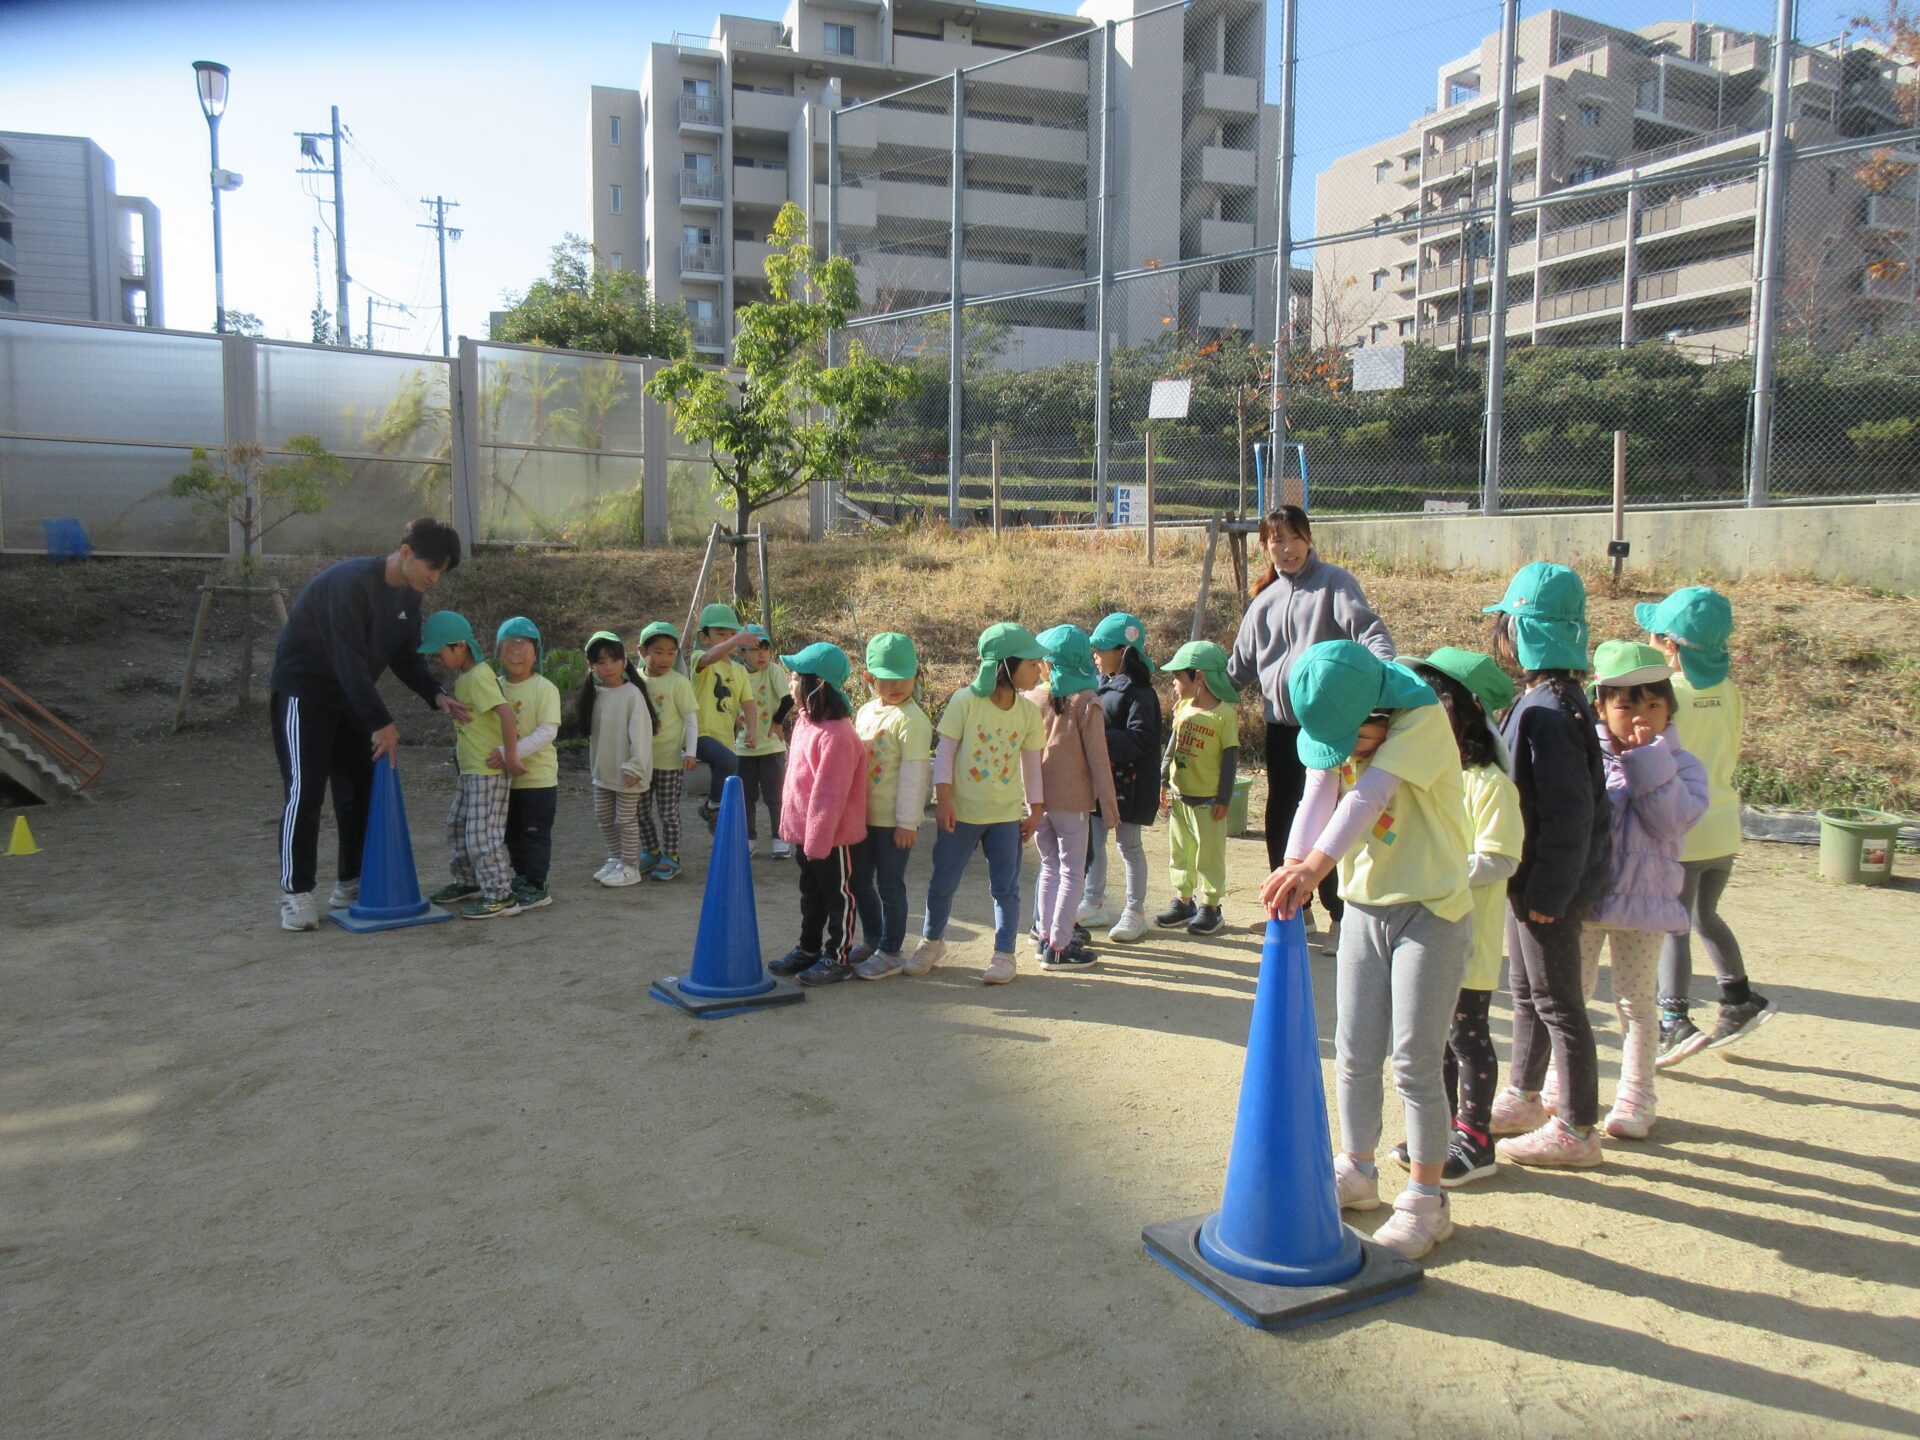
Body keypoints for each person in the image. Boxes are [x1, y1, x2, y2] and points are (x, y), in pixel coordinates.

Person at [1260, 640, 1473, 1260]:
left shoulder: (1421, 717)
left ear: (1377, 714)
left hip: (1431, 910)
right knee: (1352, 1050)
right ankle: (1356, 1169)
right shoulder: (1343, 720)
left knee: (1413, 1061)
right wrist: (1293, 866)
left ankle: (1428, 1201)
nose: (1345, 754)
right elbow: (1318, 793)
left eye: (1354, 740)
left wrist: (1313, 870)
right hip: (1364, 907)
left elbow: (1366, 797)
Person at [268, 516, 470, 931]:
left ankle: (350, 882)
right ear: (406, 552)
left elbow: (405, 655)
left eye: (442, 572)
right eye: (432, 567)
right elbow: (347, 660)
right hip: (305, 693)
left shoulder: (410, 596)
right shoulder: (349, 583)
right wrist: (380, 721)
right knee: (305, 791)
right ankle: (296, 892)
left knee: (359, 788)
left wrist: (437, 694)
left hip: (351, 698)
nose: (434, 577)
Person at [1482, 563, 1613, 1170]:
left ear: (1524, 630)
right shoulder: (1541, 701)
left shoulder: (1551, 712)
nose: (1502, 636)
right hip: (1527, 879)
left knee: (1558, 1001)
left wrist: (1550, 893)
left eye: (1507, 624)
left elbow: (1570, 813)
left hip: (1546, 886)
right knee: (1526, 991)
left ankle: (1579, 1127)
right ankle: (1524, 1094)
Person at [1228, 505, 1394, 953]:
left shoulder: (1334, 583)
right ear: (1265, 547)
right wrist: (1204, 688)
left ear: (1308, 538)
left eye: (1293, 538)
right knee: (1281, 812)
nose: (1286, 549)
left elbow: (1369, 631)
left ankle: (1340, 915)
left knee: (1329, 815)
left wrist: (1384, 674)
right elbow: (1239, 667)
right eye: (1276, 541)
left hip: (1326, 725)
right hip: (1280, 727)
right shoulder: (1263, 601)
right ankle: (1294, 910)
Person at [1564, 640, 1709, 1141]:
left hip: (1646, 904)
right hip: (1587, 900)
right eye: (1626, 706)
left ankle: (1637, 1096)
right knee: (1571, 998)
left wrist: (1648, 761)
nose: (1640, 716)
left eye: (1653, 704)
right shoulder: (1587, 759)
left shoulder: (1683, 765)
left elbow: (1671, 821)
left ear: (1670, 709)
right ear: (1601, 709)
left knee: (1635, 1003)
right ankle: (1563, 1086)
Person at [1402, 648, 1523, 1187]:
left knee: (1468, 1037)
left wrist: (1441, 869)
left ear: (1470, 709)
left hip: (1470, 938)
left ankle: (1476, 1138)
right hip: (1432, 933)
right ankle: (1440, 1130)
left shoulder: (1490, 784)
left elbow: (1501, 857)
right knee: (1436, 1038)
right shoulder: (1434, 772)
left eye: (1437, 703)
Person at [1638, 586, 1773, 1062]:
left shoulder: (1668, 695)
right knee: (1704, 915)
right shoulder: (1728, 691)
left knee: (1672, 924)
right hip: (1723, 825)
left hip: (1683, 827)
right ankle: (1738, 998)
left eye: (1655, 636)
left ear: (1671, 646)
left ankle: (1673, 1019)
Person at [910, 623, 1049, 986]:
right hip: (961, 814)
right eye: (1032, 663)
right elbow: (944, 753)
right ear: (1005, 666)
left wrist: (1035, 808)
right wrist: (944, 800)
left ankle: (1004, 954)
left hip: (1005, 817)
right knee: (943, 881)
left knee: (1006, 887)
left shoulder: (1028, 712)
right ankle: (932, 942)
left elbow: (1031, 763)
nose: (1039, 670)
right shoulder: (965, 701)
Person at [765, 643, 871, 987]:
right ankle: (809, 948)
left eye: (796, 677)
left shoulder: (838, 736)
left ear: (818, 684)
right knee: (810, 894)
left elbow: (830, 796)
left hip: (830, 838)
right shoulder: (805, 722)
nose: (791, 683)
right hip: (807, 835)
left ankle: (838, 957)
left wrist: (818, 840)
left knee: (838, 897)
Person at [1025, 625, 1120, 971]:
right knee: (1072, 872)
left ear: (1048, 664)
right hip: (1073, 801)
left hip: (1039, 800)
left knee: (1049, 867)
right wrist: (1110, 809)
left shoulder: (1032, 699)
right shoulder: (1086, 701)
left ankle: (1043, 936)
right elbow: (1099, 758)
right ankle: (1060, 945)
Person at [420, 611, 524, 920]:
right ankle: (468, 881)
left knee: (482, 836)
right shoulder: (465, 677)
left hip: (487, 772)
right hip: (470, 770)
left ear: (460, 646)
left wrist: (510, 755)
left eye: (440, 652)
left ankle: (501, 895)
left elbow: (507, 715)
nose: (438, 659)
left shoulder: (479, 676)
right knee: (458, 826)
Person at [851, 633, 934, 982]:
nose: (897, 685)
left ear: (915, 674)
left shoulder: (913, 720)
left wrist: (907, 823)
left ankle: (890, 950)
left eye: (904, 676)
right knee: (858, 880)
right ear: (869, 678)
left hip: (893, 823)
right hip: (862, 818)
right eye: (887, 678)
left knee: (890, 883)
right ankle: (872, 938)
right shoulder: (865, 712)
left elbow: (915, 775)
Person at [1080, 612, 1163, 945]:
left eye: (1101, 649)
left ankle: (1135, 911)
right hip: (1101, 782)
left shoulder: (1140, 693)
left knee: (1129, 845)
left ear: (1124, 650)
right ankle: (1094, 903)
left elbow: (1143, 738)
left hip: (1130, 785)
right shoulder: (1100, 684)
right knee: (1094, 840)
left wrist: (1100, 738)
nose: (1095, 656)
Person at [1156, 640, 1240, 937]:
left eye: (1178, 676)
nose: (1174, 683)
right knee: (1180, 852)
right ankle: (1183, 901)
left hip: (1209, 801)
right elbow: (1172, 747)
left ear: (1199, 677)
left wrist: (1224, 798)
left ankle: (1211, 907)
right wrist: (1162, 781)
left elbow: (1230, 760)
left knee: (1209, 855)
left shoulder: (1224, 715)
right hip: (1180, 797)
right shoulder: (1183, 708)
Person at [575, 631, 657, 887]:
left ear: (624, 661)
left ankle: (631, 866)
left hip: (629, 773)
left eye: (613, 660)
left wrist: (636, 767)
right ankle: (615, 858)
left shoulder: (632, 694)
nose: (608, 667)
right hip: (604, 771)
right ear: (591, 665)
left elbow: (641, 734)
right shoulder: (595, 694)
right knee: (603, 816)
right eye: (600, 662)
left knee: (625, 819)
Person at [494, 616, 561, 911]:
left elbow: (547, 732)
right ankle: (521, 878)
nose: (516, 653)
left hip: (538, 779)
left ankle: (537, 885)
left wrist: (510, 753)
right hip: (503, 780)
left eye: (523, 647)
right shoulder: (494, 687)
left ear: (536, 653)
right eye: (509, 646)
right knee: (511, 834)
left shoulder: (544, 688)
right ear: (498, 651)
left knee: (534, 833)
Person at [635, 621, 699, 881]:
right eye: (658, 652)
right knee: (640, 810)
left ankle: (671, 856)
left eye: (671, 653)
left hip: (669, 762)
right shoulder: (634, 681)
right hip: (640, 761)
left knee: (668, 812)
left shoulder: (679, 683)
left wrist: (691, 752)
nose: (665, 659)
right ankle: (651, 851)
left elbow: (690, 720)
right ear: (642, 651)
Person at [690, 603, 760, 833]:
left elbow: (749, 703)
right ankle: (711, 808)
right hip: (698, 734)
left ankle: (717, 826)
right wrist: (737, 639)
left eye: (731, 634)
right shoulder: (699, 658)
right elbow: (710, 657)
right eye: (721, 634)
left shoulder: (739, 670)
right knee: (729, 762)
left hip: (725, 739)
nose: (728, 639)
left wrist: (752, 729)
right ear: (704, 637)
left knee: (727, 785)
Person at [736, 624, 793, 858]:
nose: (762, 654)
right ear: (741, 653)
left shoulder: (773, 671)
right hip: (744, 748)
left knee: (775, 796)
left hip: (771, 746)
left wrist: (777, 723)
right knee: (746, 797)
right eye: (755, 649)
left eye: (765, 649)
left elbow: (788, 700)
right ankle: (749, 839)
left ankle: (780, 838)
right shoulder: (736, 673)